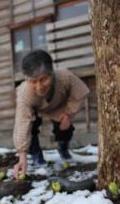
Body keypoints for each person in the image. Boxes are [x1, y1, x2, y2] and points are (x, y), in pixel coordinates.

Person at [13, 50, 90, 179]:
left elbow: (80, 93)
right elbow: (22, 122)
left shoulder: (66, 77)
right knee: (30, 127)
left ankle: (63, 148)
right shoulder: (24, 93)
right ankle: (37, 156)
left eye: (43, 79)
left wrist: (68, 114)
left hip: (59, 106)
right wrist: (22, 156)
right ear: (27, 79)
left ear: (51, 73)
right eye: (33, 81)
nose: (39, 86)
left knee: (65, 128)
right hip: (36, 107)